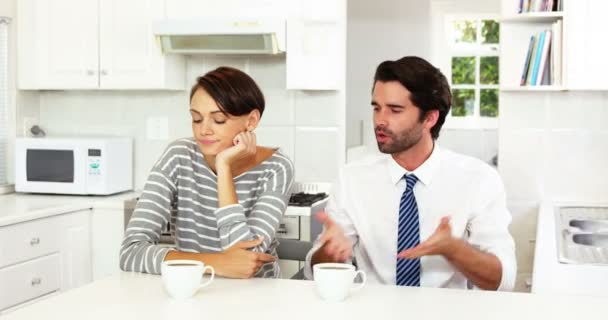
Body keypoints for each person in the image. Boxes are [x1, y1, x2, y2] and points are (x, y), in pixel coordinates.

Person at [305, 56, 516, 290]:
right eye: (377, 108)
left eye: (395, 110)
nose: (380, 121)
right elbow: (313, 270)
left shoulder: (478, 179)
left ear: (429, 118)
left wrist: (455, 250)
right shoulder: (352, 179)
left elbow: (503, 281)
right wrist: (329, 253)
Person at [120, 66, 294, 279]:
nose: (204, 130)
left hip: (255, 296)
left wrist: (224, 168)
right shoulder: (179, 156)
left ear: (251, 121)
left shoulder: (276, 168)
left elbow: (247, 261)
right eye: (196, 118)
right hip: (192, 288)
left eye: (218, 119)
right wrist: (216, 263)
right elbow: (131, 252)